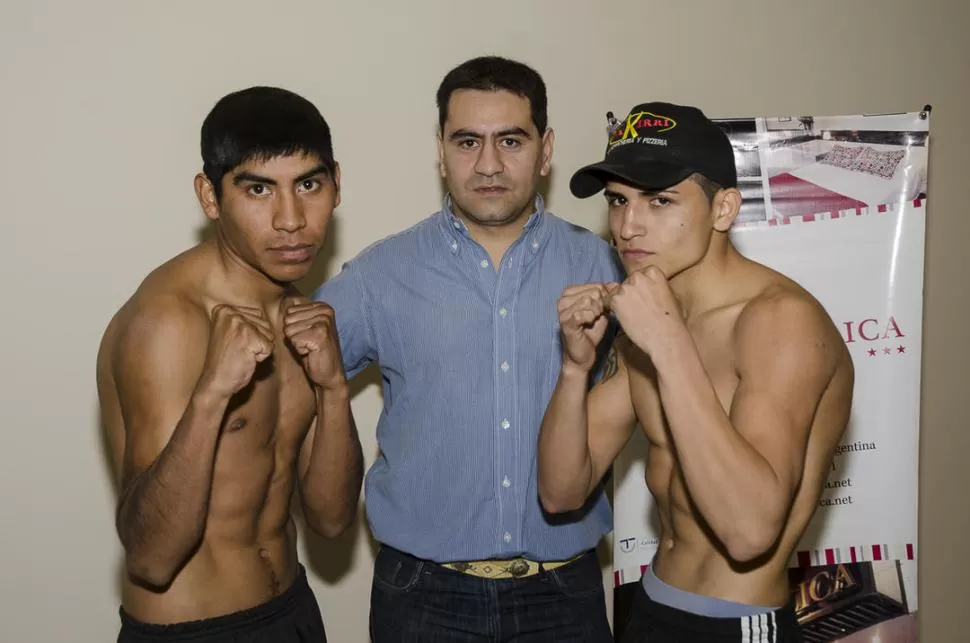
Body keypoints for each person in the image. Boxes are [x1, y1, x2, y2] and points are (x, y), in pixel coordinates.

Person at [313, 56, 623, 642]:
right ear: (440, 149)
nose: (488, 164)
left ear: (546, 148)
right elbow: (287, 378)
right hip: (423, 599)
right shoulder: (380, 274)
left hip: (564, 595)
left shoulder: (603, 267)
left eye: (510, 140)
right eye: (466, 141)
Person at [537, 102, 854, 643]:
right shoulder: (652, 317)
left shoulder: (781, 322)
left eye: (660, 201)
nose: (628, 226)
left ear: (724, 208)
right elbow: (562, 491)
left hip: (736, 625)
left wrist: (667, 344)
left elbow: (749, 531)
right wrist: (575, 367)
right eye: (619, 200)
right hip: (652, 607)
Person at [96, 86, 363, 643]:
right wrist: (212, 395)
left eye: (308, 184)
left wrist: (334, 390)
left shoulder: (301, 318)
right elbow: (150, 559)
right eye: (259, 189)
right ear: (210, 196)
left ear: (337, 184)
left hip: (293, 611)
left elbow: (332, 522)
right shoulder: (168, 325)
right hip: (192, 631)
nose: (291, 220)